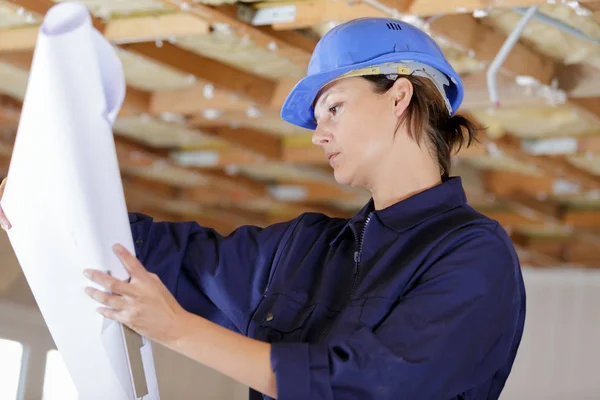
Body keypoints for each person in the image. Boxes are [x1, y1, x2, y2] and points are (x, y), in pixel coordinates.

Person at [0, 17, 526, 400]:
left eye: (334, 108)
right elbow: (171, 258)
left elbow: (367, 386)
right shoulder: (305, 248)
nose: (318, 136)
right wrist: (46, 204)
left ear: (399, 97)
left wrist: (177, 329)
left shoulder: (473, 256)